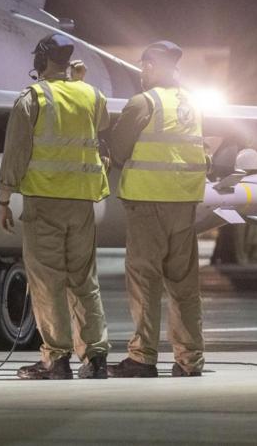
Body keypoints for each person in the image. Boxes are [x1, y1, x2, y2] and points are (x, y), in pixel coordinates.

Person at [0, 33, 112, 380]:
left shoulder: (32, 99)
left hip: (45, 202)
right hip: (82, 203)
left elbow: (15, 153)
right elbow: (100, 122)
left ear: (41, 60)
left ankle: (56, 359)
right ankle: (95, 358)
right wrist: (77, 82)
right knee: (84, 281)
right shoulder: (92, 94)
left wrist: (3, 198)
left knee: (47, 282)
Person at [106, 40, 207, 378]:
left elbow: (118, 151)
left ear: (150, 66)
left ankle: (143, 357)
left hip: (148, 206)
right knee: (184, 286)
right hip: (184, 207)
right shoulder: (193, 103)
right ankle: (189, 360)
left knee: (145, 282)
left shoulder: (143, 103)